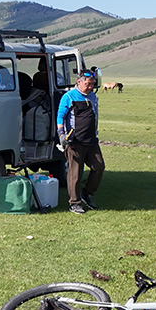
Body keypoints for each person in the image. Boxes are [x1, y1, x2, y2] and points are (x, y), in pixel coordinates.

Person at [56, 70, 105, 214]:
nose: (90, 87)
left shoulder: (92, 97)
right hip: (74, 141)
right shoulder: (69, 97)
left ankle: (87, 193)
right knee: (75, 174)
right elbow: (60, 117)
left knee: (99, 166)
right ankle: (74, 203)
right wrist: (61, 135)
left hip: (91, 140)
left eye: (92, 84)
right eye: (88, 84)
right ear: (79, 82)